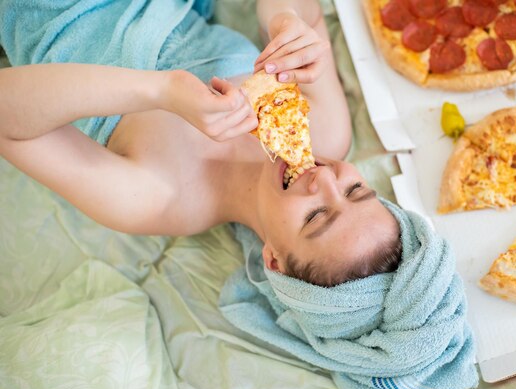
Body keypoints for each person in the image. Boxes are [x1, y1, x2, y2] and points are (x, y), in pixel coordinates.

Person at [0, 0, 401, 286]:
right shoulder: (327, 130)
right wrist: (287, 22)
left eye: (315, 217)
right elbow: (307, 17)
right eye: (355, 188)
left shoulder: (158, 200)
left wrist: (161, 91)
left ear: (274, 261)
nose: (324, 179)